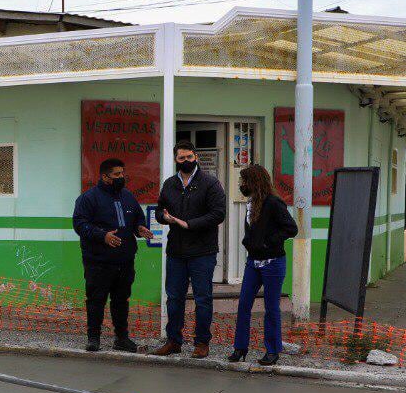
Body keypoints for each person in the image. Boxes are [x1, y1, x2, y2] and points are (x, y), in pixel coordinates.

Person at [152, 140, 226, 358]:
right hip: (176, 250)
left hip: (203, 251)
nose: (186, 161)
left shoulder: (210, 183)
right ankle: (173, 340)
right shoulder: (169, 184)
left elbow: (218, 214)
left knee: (203, 298)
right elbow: (158, 210)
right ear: (176, 159)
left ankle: (202, 343)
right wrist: (163, 218)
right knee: (174, 298)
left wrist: (189, 224)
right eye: (181, 158)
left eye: (189, 157)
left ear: (196, 157)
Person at [72, 158, 152, 352]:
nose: (121, 177)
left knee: (121, 300)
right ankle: (93, 338)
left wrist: (139, 228)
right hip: (98, 262)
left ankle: (121, 338)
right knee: (96, 300)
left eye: (122, 173)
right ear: (105, 176)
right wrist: (102, 236)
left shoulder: (128, 196)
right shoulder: (88, 198)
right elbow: (80, 224)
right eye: (117, 174)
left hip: (124, 261)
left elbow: (137, 219)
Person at [228, 164, 297, 366]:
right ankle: (240, 348)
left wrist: (269, 242)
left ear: (254, 182)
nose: (241, 185)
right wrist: (249, 242)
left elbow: (291, 228)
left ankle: (272, 351)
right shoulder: (251, 203)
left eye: (244, 181)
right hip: (253, 263)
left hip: (273, 263)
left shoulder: (274, 203)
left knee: (271, 307)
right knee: (243, 304)